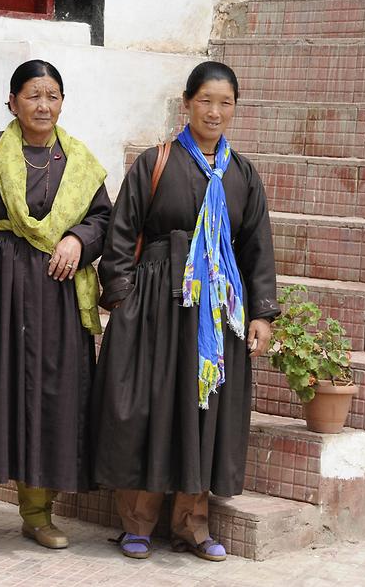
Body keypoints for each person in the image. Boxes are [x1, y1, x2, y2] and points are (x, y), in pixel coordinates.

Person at [93, 62, 278, 562]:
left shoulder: (242, 175)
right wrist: (125, 300)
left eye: (226, 104)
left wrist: (260, 314)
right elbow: (120, 235)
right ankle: (137, 524)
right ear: (187, 103)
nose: (215, 112)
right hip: (156, 305)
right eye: (206, 101)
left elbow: (256, 246)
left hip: (215, 315)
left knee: (204, 413)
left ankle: (193, 526)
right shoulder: (156, 161)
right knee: (151, 411)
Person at [0, 59, 112, 552]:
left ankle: (38, 515)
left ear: (62, 103)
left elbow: (103, 219)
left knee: (46, 399)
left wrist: (78, 239)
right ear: (11, 102)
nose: (43, 105)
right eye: (32, 95)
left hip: (54, 296)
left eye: (52, 95)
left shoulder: (78, 162)